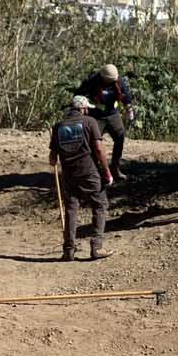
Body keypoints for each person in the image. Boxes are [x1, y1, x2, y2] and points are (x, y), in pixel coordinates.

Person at [50, 93, 113, 261]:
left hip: (69, 174)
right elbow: (99, 150)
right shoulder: (89, 122)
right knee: (100, 205)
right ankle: (96, 247)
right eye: (87, 109)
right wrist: (106, 171)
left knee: (71, 209)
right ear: (83, 108)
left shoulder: (58, 126)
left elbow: (52, 158)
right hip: (88, 171)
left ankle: (69, 251)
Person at [76, 63, 134, 181]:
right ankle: (95, 171)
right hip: (96, 116)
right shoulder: (92, 81)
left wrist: (129, 110)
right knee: (94, 143)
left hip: (113, 114)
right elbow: (78, 95)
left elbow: (125, 96)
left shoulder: (118, 81)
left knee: (120, 136)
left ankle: (115, 168)